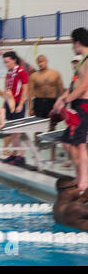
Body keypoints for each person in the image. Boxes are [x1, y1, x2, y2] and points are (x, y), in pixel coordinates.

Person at [51, 28, 88, 192]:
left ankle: (83, 181)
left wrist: (67, 100)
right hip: (77, 104)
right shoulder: (81, 60)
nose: (73, 47)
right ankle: (79, 176)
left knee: (79, 145)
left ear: (77, 42)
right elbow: (74, 85)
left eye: (73, 44)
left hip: (84, 105)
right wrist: (61, 100)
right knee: (67, 143)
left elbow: (84, 86)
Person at [28, 54, 64, 160]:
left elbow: (61, 91)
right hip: (38, 102)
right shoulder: (34, 76)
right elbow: (29, 93)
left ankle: (53, 156)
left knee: (52, 128)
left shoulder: (55, 74)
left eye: (42, 61)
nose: (41, 63)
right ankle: (36, 152)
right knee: (37, 127)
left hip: (51, 102)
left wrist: (62, 105)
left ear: (47, 61)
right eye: (39, 61)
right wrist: (30, 108)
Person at [1, 51, 29, 166]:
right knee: (12, 131)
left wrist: (21, 104)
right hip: (9, 103)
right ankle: (13, 154)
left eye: (7, 62)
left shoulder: (21, 72)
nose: (6, 64)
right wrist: (4, 104)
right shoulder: (8, 73)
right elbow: (7, 89)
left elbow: (25, 89)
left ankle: (21, 156)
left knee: (18, 132)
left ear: (14, 60)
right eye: (4, 62)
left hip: (18, 104)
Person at [61, 55, 82, 168]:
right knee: (68, 141)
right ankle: (73, 161)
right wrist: (62, 100)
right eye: (73, 62)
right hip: (74, 115)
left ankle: (80, 166)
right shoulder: (75, 77)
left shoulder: (84, 77)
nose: (75, 65)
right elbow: (70, 90)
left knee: (75, 142)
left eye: (77, 62)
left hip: (82, 115)